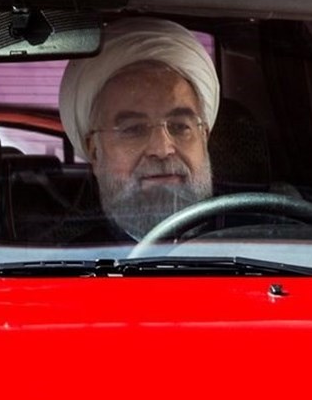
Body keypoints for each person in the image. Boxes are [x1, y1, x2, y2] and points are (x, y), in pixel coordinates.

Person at [59, 17, 220, 241]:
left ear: (204, 137)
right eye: (134, 129)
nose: (162, 149)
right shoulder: (73, 260)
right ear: (95, 151)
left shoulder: (262, 240)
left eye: (179, 126)